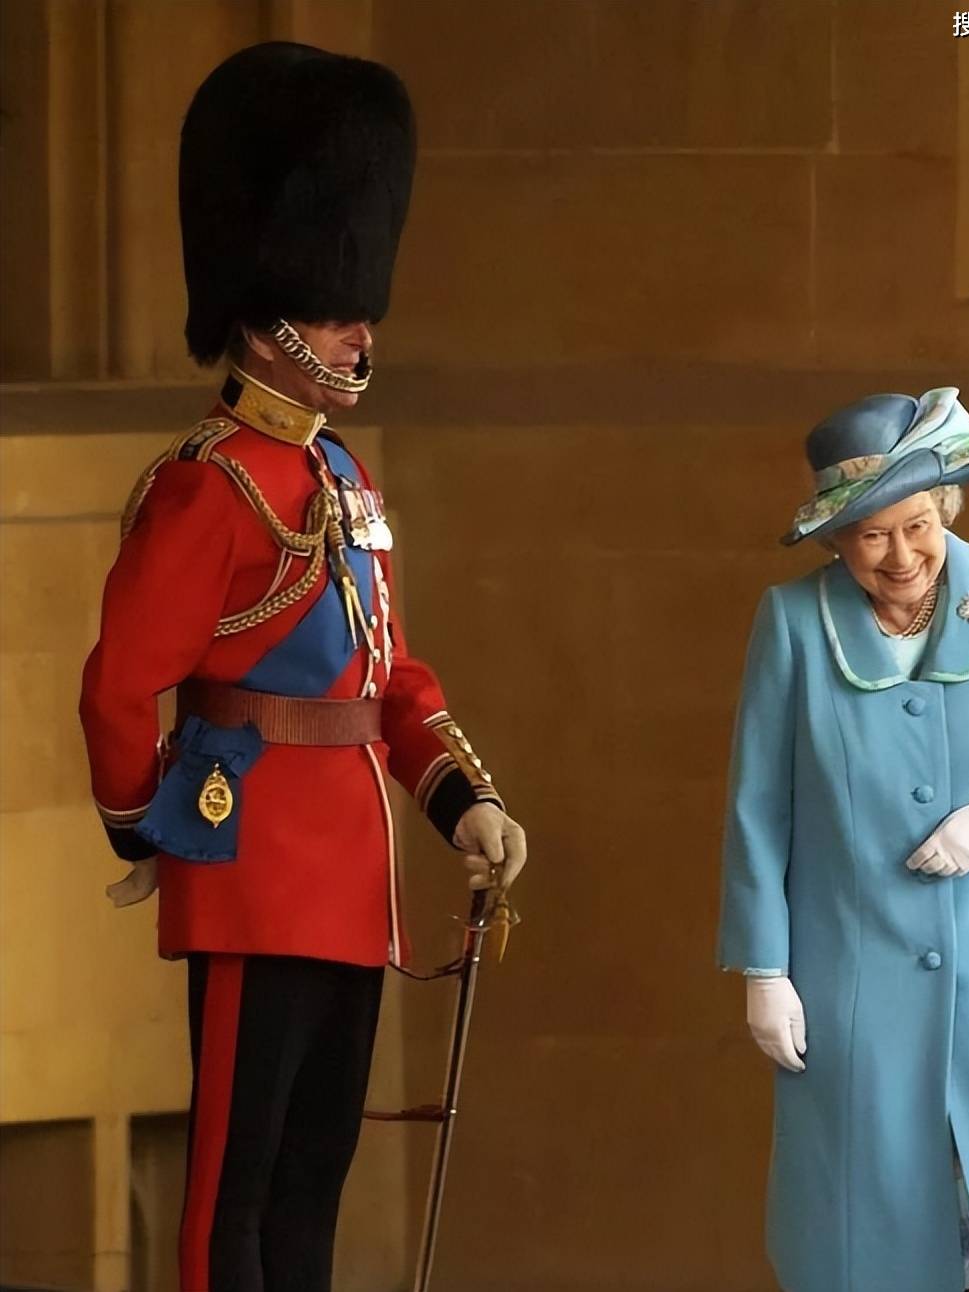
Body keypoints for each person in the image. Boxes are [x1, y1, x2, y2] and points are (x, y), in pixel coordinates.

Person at [78, 42, 526, 1292]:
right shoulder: (205, 487)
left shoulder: (342, 477)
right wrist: (145, 828)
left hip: (347, 878)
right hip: (247, 860)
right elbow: (120, 683)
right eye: (334, 306)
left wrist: (461, 797)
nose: (356, 325)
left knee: (310, 1181)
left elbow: (390, 677)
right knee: (234, 1185)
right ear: (268, 317)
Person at [718, 387, 969, 1292]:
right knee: (865, 1237)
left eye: (915, 525)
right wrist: (764, 969)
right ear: (835, 540)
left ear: (944, 507)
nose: (899, 555)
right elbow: (757, 806)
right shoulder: (792, 623)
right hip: (848, 984)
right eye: (869, 536)